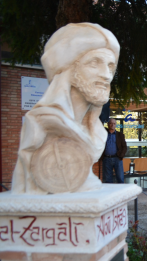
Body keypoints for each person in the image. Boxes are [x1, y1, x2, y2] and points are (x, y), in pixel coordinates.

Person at [12, 23, 120, 194]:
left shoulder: (97, 132)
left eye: (110, 66)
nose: (106, 75)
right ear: (69, 69)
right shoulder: (43, 123)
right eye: (94, 63)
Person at [102, 118, 127, 183]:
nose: (112, 125)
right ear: (108, 124)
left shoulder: (120, 135)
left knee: (120, 178)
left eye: (114, 123)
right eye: (110, 123)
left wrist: (121, 156)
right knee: (108, 180)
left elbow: (124, 147)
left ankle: (121, 193)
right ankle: (111, 193)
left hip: (117, 159)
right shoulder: (104, 134)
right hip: (106, 159)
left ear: (116, 125)